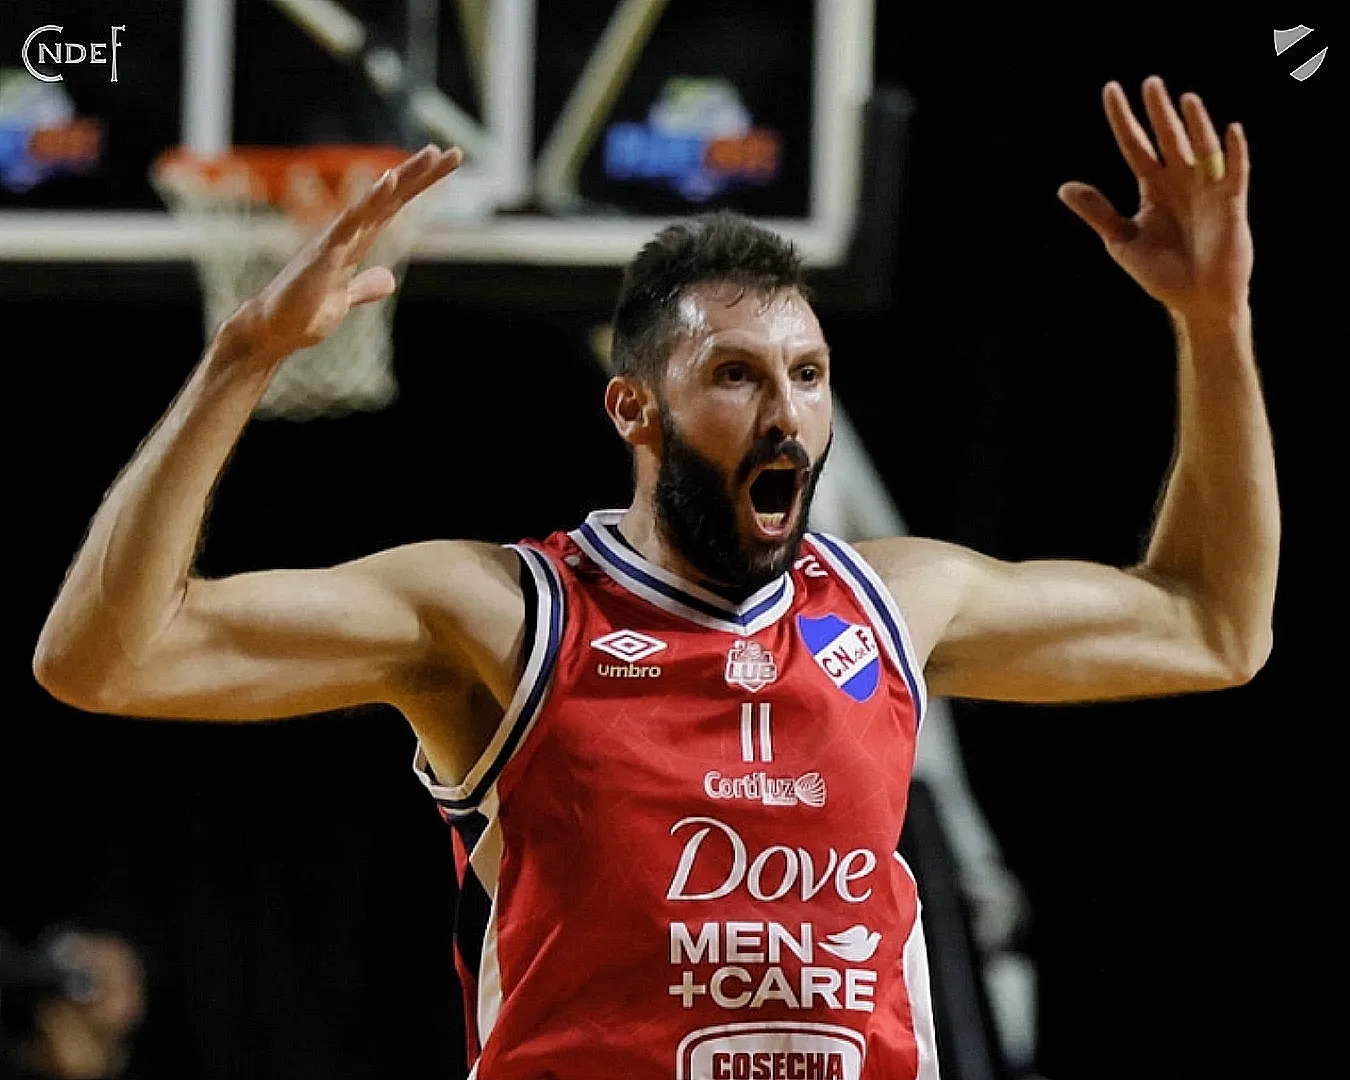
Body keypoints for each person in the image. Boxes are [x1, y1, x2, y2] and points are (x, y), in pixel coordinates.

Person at [32, 76, 1276, 1080]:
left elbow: (1212, 625)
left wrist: (1214, 328)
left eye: (807, 373)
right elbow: (106, 660)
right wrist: (239, 365)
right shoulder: (502, 617)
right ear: (636, 410)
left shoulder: (895, 604)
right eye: (736, 374)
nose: (785, 411)